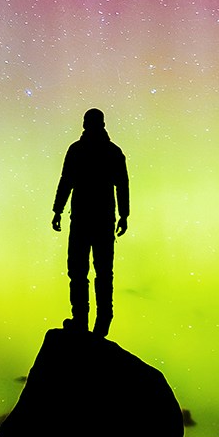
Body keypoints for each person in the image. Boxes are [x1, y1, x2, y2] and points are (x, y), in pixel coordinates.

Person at [50, 107, 129, 335]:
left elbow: (67, 181)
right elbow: (67, 181)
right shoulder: (110, 152)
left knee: (89, 271)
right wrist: (57, 210)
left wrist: (124, 214)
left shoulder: (81, 150)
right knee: (89, 271)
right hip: (93, 219)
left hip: (90, 220)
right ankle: (91, 321)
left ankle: (94, 321)